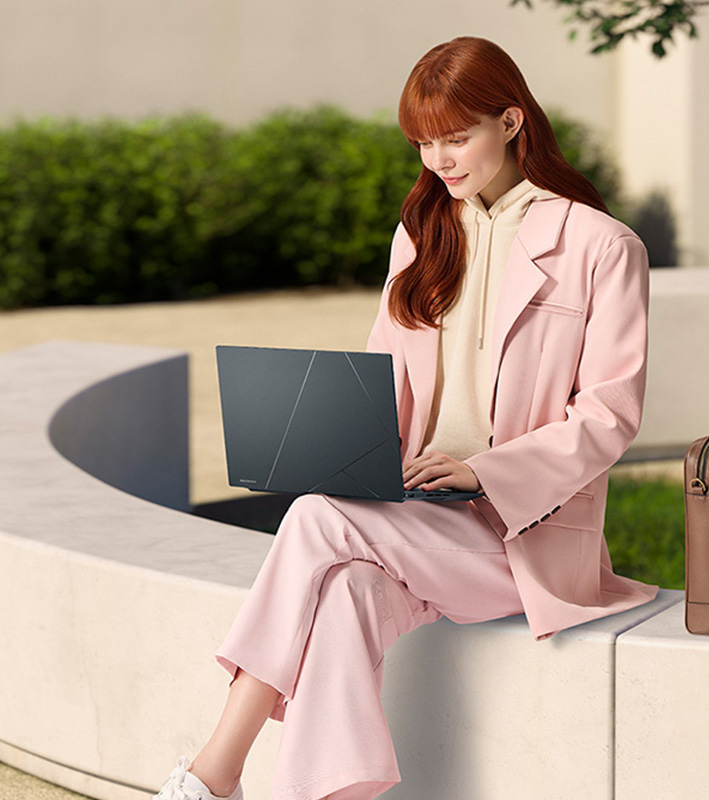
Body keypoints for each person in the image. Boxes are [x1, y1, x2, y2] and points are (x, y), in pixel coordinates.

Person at [153, 35, 658, 800]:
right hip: (420, 514)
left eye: (458, 138)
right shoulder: (423, 237)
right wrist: (342, 451)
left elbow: (610, 416)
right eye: (424, 143)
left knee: (316, 522)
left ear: (513, 121)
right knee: (346, 590)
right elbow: (384, 378)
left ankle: (215, 769)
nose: (440, 160)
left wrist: (483, 469)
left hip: (522, 537)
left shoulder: (600, 246)